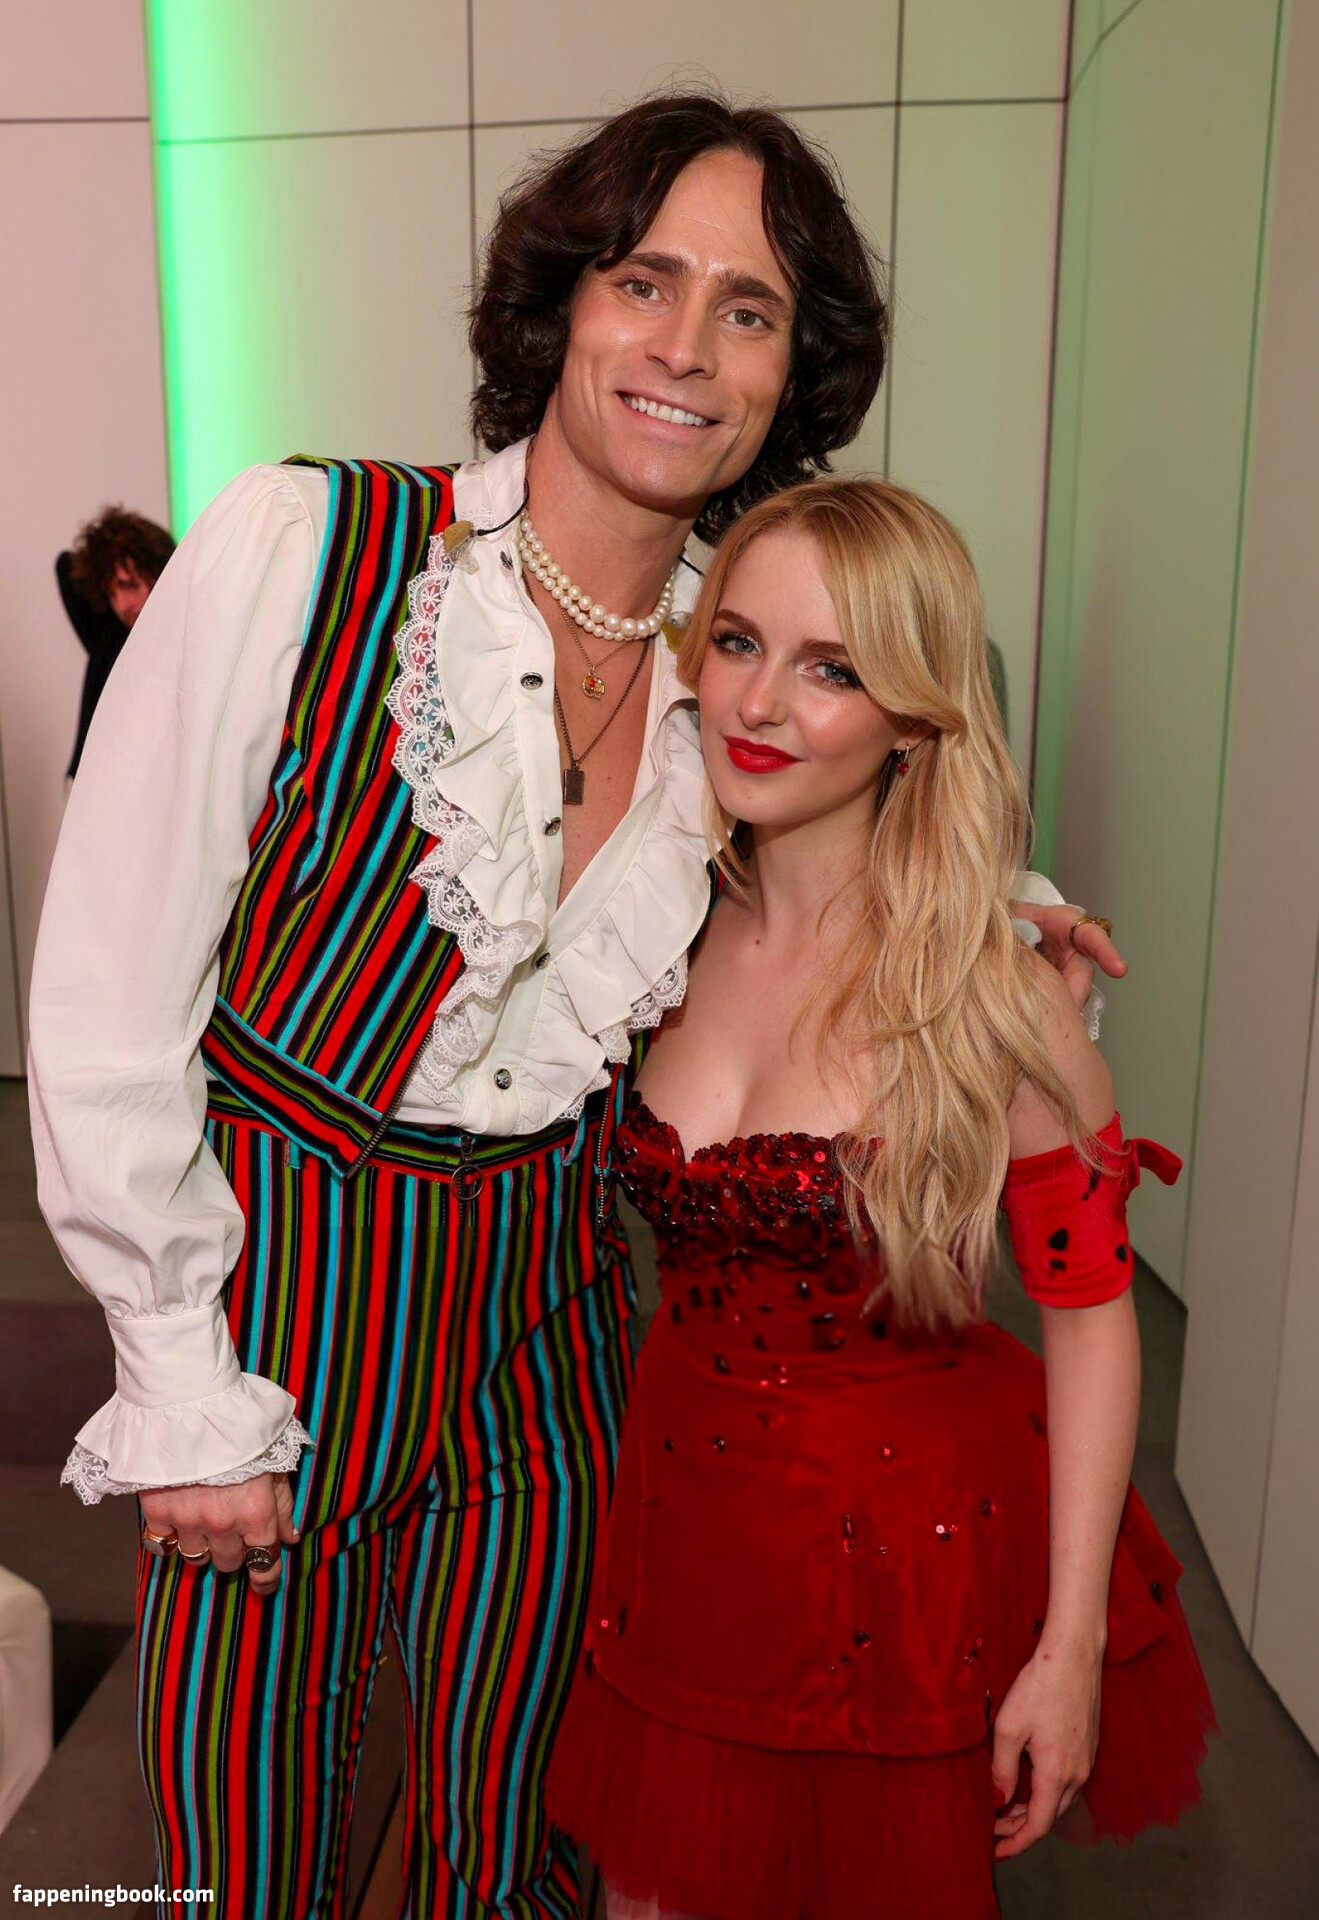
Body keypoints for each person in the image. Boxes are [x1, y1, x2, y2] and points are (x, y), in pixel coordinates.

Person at [28, 95, 1124, 1920]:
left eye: (747, 310)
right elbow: (105, 990)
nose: (686, 345)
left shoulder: (723, 657)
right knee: (249, 1847)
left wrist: (999, 906)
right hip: (278, 1319)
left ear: (789, 377)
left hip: (547, 1346)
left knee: (522, 1845)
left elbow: (843, 802)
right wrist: (177, 1374)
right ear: (560, 305)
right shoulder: (311, 547)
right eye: (643, 281)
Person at [546, 479, 1215, 1920]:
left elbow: (1091, 1319)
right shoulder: (651, 924)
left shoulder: (990, 993)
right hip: (680, 1522)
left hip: (892, 1564)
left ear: (913, 716)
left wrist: (1068, 1650)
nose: (759, 703)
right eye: (738, 642)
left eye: (831, 669)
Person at [56, 506, 174, 776]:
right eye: (111, 592)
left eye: (128, 585)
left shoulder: (181, 642)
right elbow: (65, 565)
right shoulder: (107, 634)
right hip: (89, 778)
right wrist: (112, 544)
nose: (121, 605)